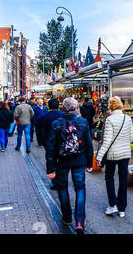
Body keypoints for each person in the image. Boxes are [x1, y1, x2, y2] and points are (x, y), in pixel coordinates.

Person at [45, 97, 94, 234]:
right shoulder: (83, 122)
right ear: (75, 108)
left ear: (63, 109)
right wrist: (90, 163)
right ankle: (79, 221)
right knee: (80, 188)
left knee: (62, 187)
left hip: (62, 162)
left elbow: (50, 148)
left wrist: (50, 168)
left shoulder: (56, 124)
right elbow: (89, 145)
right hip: (79, 160)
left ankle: (66, 217)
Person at [96, 96, 133, 217]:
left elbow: (107, 141)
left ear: (110, 106)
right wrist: (123, 142)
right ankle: (122, 208)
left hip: (113, 154)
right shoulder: (127, 118)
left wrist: (99, 156)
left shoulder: (109, 120)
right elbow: (132, 137)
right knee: (123, 179)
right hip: (125, 154)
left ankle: (112, 205)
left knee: (109, 177)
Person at [39, 99, 64, 190]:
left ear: (49, 106)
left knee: (51, 161)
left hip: (49, 143)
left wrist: (43, 142)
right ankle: (61, 179)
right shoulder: (63, 115)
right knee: (61, 161)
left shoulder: (45, 116)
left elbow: (41, 131)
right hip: (62, 142)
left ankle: (55, 180)